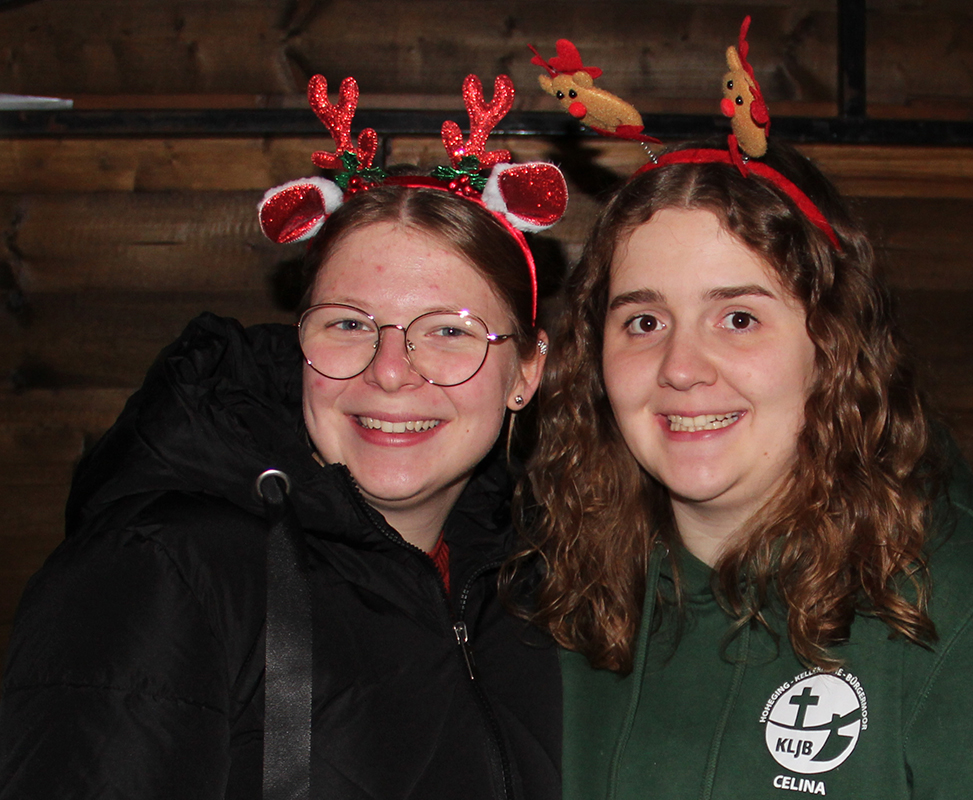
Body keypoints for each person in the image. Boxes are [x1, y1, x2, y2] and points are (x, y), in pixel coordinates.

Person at [0, 74, 564, 799]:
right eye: (349, 324)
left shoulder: (532, 592)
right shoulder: (162, 572)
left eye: (450, 332)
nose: (391, 371)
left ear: (527, 371)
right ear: (301, 343)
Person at [519, 142, 973, 800]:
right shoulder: (560, 607)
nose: (681, 367)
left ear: (834, 346)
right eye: (644, 321)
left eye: (739, 318)